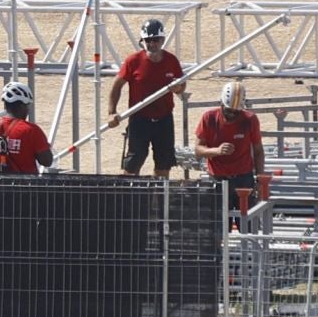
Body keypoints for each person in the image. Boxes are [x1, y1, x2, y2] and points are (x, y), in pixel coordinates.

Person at [108, 18, 188, 178]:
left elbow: (182, 86)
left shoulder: (171, 61)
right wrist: (112, 112)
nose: (152, 44)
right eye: (148, 40)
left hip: (164, 119)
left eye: (156, 40)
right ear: (142, 41)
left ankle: (159, 199)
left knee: (164, 163)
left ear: (162, 40)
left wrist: (178, 87)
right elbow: (117, 85)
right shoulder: (133, 61)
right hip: (139, 118)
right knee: (133, 162)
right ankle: (130, 198)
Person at [193, 82, 267, 209]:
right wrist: (217, 151)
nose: (232, 115)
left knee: (247, 224)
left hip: (243, 179)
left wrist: (260, 179)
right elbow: (198, 150)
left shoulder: (250, 120)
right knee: (220, 224)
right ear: (221, 103)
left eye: (236, 112)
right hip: (218, 179)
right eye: (228, 111)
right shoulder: (209, 118)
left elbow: (258, 150)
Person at [0, 81, 53, 174]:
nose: (28, 110)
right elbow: (47, 161)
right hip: (25, 186)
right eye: (27, 106)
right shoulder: (31, 131)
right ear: (21, 106)